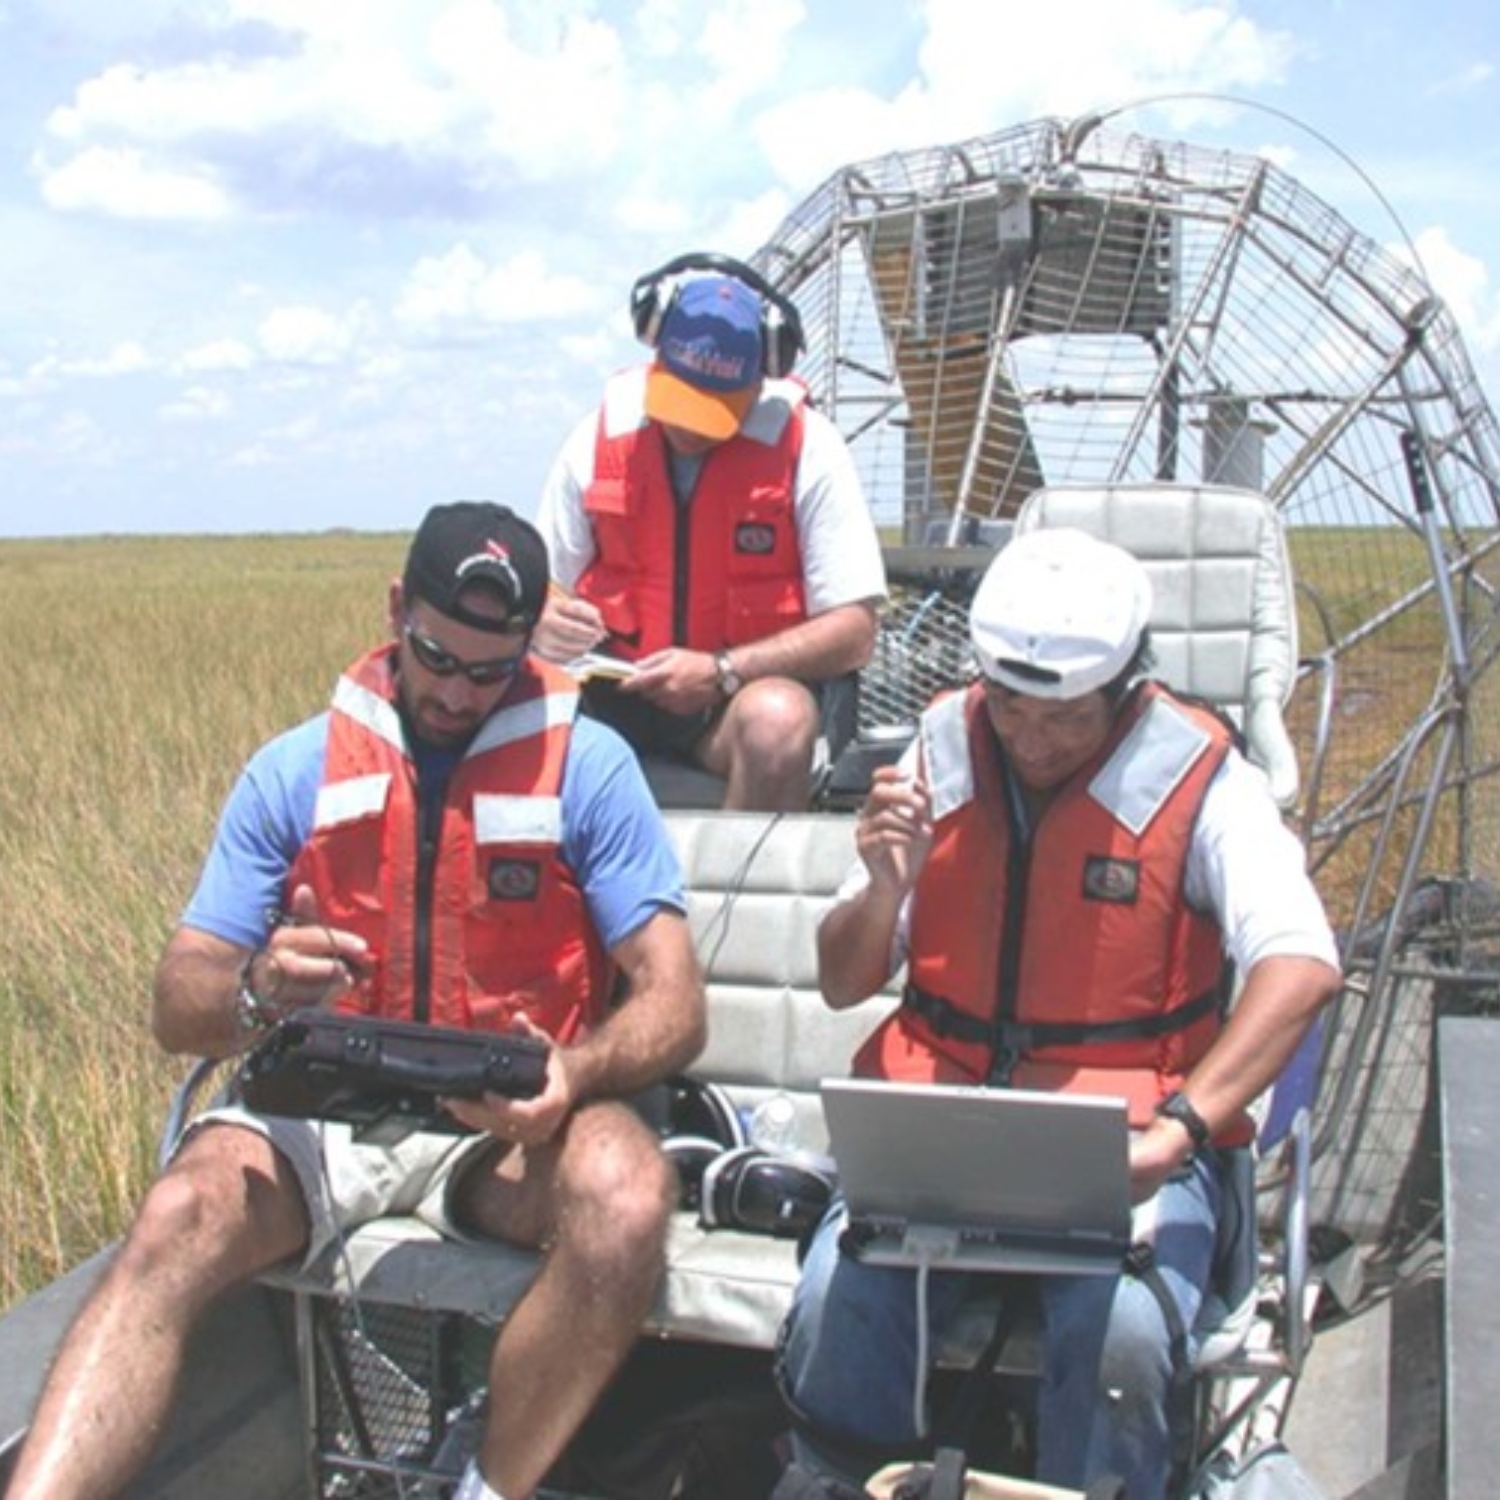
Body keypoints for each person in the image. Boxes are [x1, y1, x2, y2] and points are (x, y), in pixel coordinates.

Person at [8, 502, 707, 1500]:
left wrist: (576, 1072)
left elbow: (675, 1001)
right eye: (438, 656)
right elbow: (178, 1004)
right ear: (396, 610)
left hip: (501, 1129)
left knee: (628, 1195)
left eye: (491, 669)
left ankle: (486, 1486)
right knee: (175, 1218)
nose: (460, 693)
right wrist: (256, 990)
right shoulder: (292, 769)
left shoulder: (590, 770)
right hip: (318, 1122)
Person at [775, 528, 1343, 1499]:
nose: (1031, 740)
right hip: (936, 1145)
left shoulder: (1207, 782)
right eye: (1010, 706)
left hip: (1134, 1153)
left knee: (1118, 1333)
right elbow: (840, 979)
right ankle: (836, 1483)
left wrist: (1181, 1132)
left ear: (1128, 691)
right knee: (838, 1297)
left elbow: (1304, 967)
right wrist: (880, 887)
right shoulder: (941, 749)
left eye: (1065, 719)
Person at [533, 251, 887, 812]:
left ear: (761, 376)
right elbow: (543, 584)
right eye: (679, 401)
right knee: (505, 717)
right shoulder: (598, 437)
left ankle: (741, 897)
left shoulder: (808, 448)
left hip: (729, 703)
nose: (688, 429)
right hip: (609, 695)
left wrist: (723, 671)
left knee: (778, 724)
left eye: (714, 409)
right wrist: (545, 619)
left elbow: (855, 629)